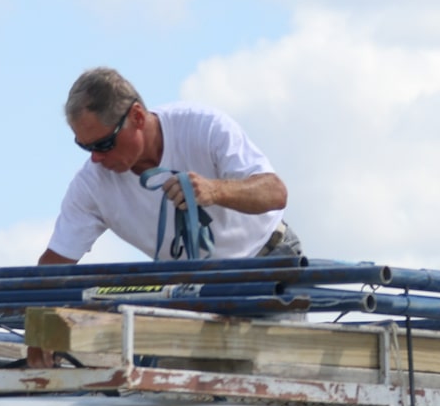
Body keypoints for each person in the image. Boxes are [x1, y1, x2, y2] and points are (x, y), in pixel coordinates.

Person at [37, 67, 297, 264]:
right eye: (85, 147)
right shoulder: (91, 185)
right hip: (194, 288)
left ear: (137, 117)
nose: (95, 158)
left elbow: (275, 193)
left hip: (267, 259)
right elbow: (55, 265)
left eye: (104, 144)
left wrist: (215, 191)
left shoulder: (202, 126)